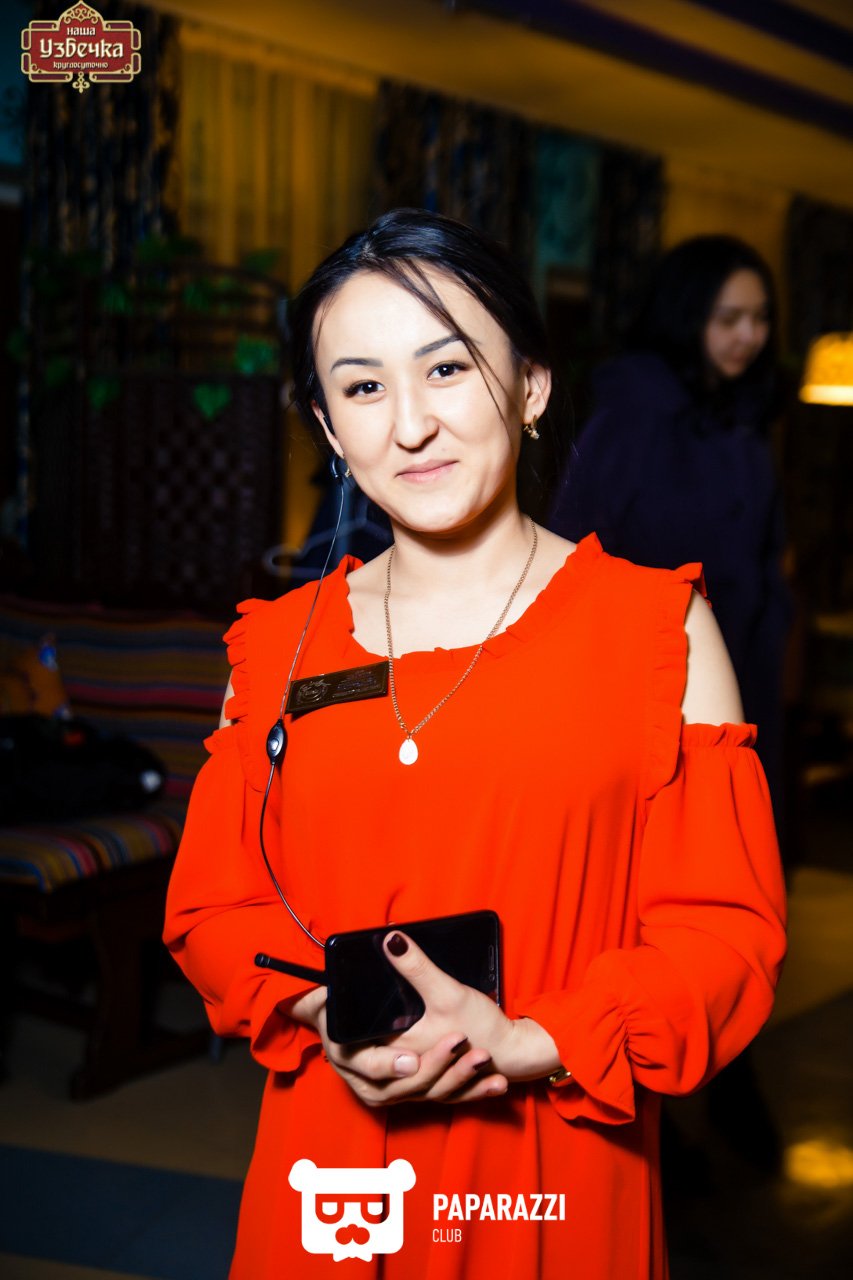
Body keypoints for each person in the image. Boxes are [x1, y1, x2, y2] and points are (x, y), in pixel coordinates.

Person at [163, 210, 786, 1280]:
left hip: (554, 1164)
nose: (410, 424)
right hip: (336, 1170)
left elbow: (723, 935)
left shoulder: (657, 631)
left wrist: (537, 1038)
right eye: (363, 386)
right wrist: (325, 1008)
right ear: (328, 425)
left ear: (531, 386)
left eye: (446, 367)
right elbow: (215, 907)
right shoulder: (273, 647)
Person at [549, 235, 791, 823]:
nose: (749, 336)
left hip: (743, 668)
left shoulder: (741, 413)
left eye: (760, 318)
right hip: (650, 683)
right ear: (687, 317)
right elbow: (573, 548)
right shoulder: (633, 412)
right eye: (728, 319)